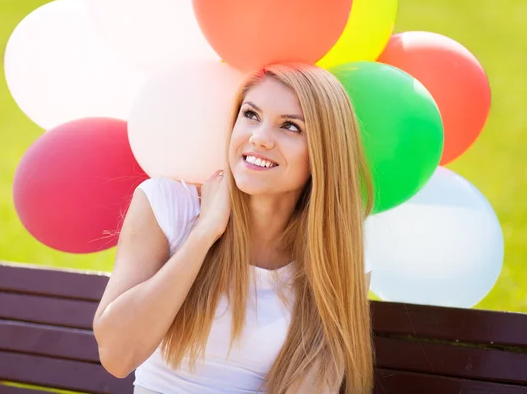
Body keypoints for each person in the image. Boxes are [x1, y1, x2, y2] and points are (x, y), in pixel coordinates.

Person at [93, 63, 375, 394]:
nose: (259, 138)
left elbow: (315, 381)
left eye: (290, 127)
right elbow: (117, 355)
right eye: (251, 115)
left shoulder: (335, 249)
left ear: (324, 154)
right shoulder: (167, 205)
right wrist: (203, 234)